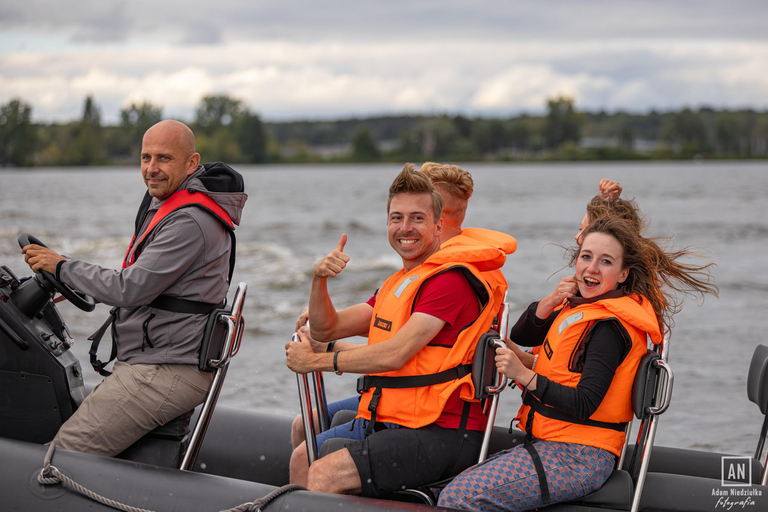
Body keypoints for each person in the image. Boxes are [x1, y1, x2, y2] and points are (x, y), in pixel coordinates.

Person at [438, 216, 717, 512]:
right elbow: (522, 334)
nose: (592, 268)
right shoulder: (580, 306)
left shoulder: (609, 329)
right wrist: (548, 305)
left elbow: (585, 403)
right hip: (552, 442)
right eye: (586, 257)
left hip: (578, 456)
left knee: (459, 498)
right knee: (454, 486)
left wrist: (522, 373)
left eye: (606, 262)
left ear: (623, 275)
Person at [285, 164, 516, 496]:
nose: (405, 228)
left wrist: (316, 361)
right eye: (397, 218)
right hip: (398, 413)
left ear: (438, 225)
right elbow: (327, 328)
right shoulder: (402, 281)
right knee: (302, 459)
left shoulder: (450, 281)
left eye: (417, 218)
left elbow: (395, 354)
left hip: (442, 431)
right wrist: (319, 280)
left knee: (324, 473)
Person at [21, 120, 248, 457]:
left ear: (191, 163)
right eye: (145, 158)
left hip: (165, 369)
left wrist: (62, 267)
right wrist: (65, 277)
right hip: (156, 359)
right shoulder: (172, 202)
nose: (151, 169)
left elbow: (130, 289)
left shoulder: (189, 221)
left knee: (60, 456)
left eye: (164, 159)